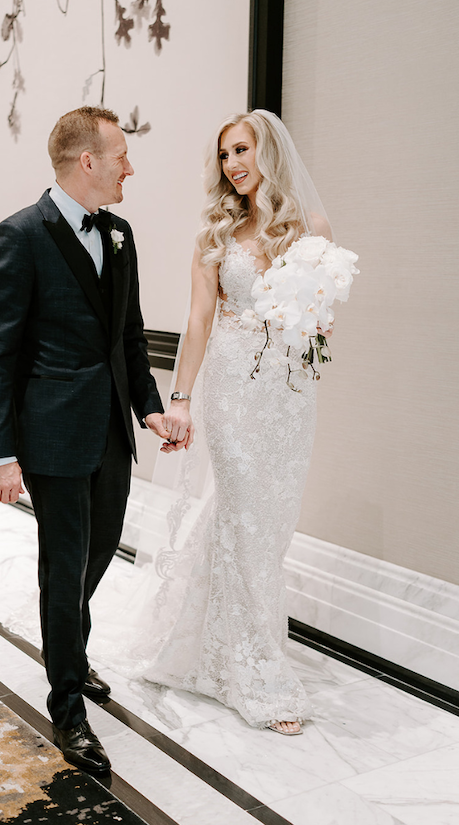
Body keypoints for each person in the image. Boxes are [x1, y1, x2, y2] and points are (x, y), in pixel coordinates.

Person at [0, 106, 175, 773]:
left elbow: (130, 333)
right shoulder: (19, 237)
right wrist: (0, 453)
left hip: (112, 429)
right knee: (64, 570)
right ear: (88, 160)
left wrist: (149, 407)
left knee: (101, 549)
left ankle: (71, 652)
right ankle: (68, 705)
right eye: (122, 155)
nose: (129, 168)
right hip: (52, 437)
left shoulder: (120, 234)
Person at [114, 109, 333, 735]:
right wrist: (180, 397)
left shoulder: (310, 229)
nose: (233, 164)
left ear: (269, 152)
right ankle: (254, 670)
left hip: (288, 399)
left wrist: (310, 329)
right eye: (225, 154)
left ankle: (207, 641)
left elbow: (322, 322)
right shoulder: (216, 233)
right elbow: (200, 320)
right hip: (232, 393)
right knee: (241, 516)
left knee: (270, 528)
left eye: (242, 150)